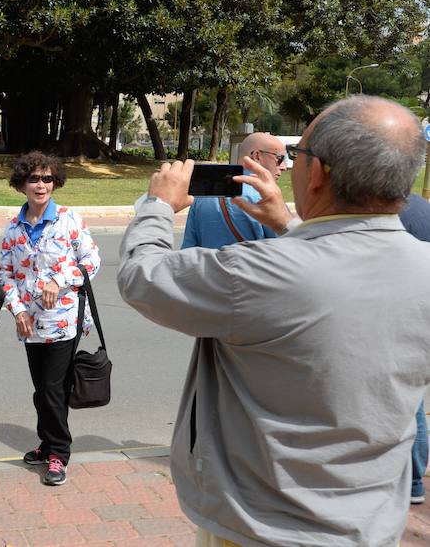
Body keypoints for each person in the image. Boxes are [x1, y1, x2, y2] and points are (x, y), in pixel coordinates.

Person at [115, 95, 430, 546]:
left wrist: (157, 205)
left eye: (296, 156)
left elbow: (141, 277)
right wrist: (288, 224)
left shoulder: (259, 272)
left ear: (317, 173)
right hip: (372, 524)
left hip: (261, 526)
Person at [0, 151, 100, 486]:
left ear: (55, 181)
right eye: (34, 178)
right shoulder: (13, 229)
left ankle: (59, 453)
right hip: (29, 322)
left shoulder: (70, 220)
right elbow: (7, 275)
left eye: (47, 178)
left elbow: (91, 261)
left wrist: (62, 279)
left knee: (53, 388)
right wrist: (16, 310)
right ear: (22, 184)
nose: (41, 185)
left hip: (64, 320)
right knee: (40, 389)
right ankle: (46, 443)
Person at [181, 133, 288, 248]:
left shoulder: (202, 196)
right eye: (279, 159)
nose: (284, 166)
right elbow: (287, 249)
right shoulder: (267, 197)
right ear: (257, 156)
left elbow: (188, 248)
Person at [398, 193, 430, 505]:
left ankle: (412, 482)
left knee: (411, 405)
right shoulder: (422, 207)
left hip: (401, 314)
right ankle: (415, 482)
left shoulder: (392, 214)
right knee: (414, 398)